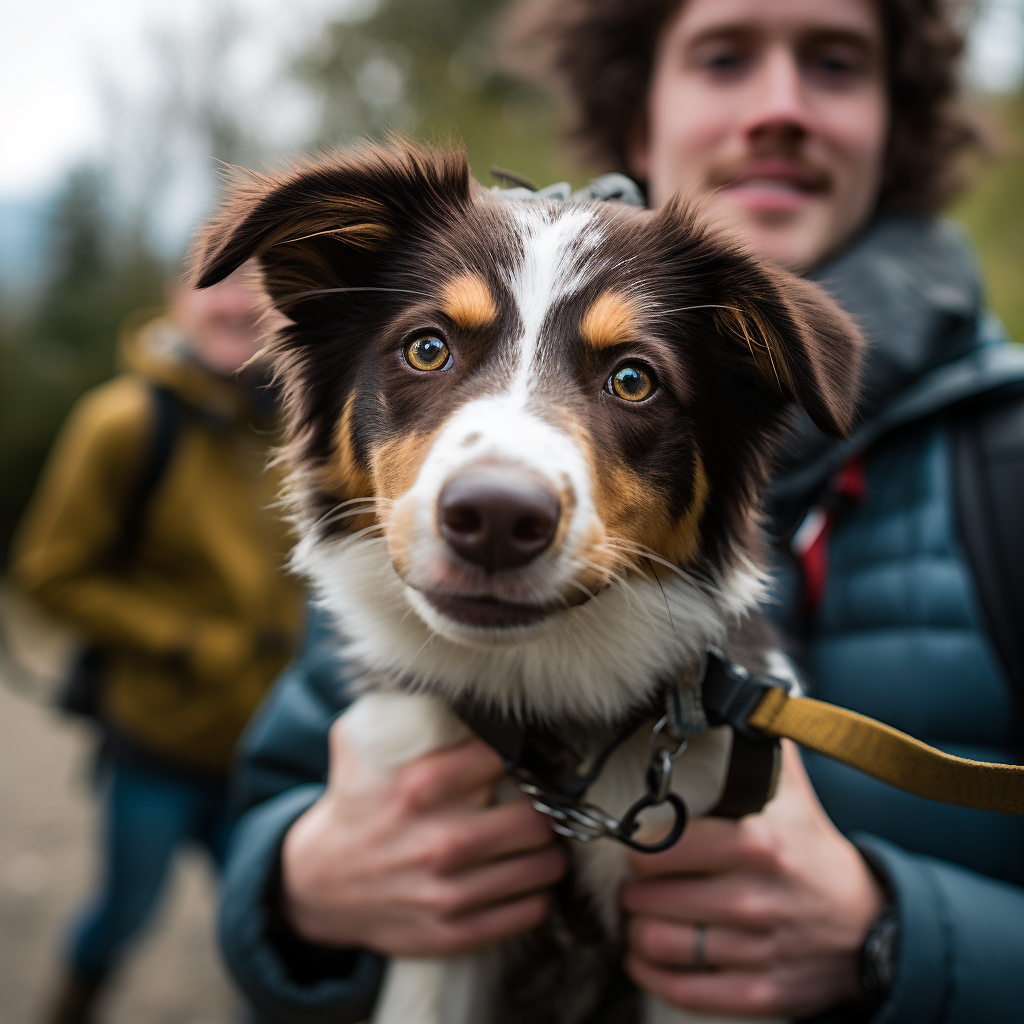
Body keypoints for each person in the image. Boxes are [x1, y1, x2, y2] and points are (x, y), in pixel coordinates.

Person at [215, 0, 1024, 1021]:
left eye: (833, 62)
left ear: (895, 121)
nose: (777, 107)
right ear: (637, 110)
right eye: (429, 348)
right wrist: (301, 883)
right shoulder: (399, 569)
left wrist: (898, 933)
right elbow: (256, 842)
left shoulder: (1005, 459)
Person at [11, 269, 305, 1024]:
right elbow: (49, 574)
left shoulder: (307, 421)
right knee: (123, 914)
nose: (235, 304)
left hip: (274, 757)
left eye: (257, 288)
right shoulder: (123, 422)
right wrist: (184, 641)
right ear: (181, 299)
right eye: (215, 286)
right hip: (157, 745)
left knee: (269, 940)